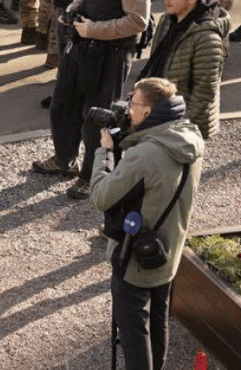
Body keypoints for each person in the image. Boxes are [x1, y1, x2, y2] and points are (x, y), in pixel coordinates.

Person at [34, 0, 152, 199]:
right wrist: (72, 12)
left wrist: (94, 29)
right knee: (63, 104)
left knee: (96, 117)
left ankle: (91, 176)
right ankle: (63, 160)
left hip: (109, 55)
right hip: (81, 46)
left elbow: (137, 21)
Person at [90, 77, 204, 370]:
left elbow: (101, 197)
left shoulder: (146, 154)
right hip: (167, 254)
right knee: (157, 324)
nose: (128, 110)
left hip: (135, 261)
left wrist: (106, 151)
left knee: (134, 338)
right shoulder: (189, 137)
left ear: (149, 111)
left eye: (133, 104)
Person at [136, 0, 229, 140]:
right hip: (162, 116)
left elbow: (204, 93)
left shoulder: (207, 38)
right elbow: (156, 62)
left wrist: (179, 128)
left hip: (184, 127)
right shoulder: (167, 20)